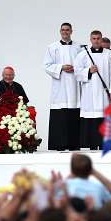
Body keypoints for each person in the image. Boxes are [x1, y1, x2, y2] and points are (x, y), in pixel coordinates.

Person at [74, 30, 111, 150]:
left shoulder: (109, 55)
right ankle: (92, 144)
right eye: (94, 38)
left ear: (101, 39)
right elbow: (77, 73)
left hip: (105, 93)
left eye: (98, 38)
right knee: (91, 119)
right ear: (90, 39)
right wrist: (88, 71)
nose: (96, 40)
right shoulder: (83, 54)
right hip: (89, 92)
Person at [44, 22, 82, 151]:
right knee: (60, 115)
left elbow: (83, 64)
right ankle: (58, 144)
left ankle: (73, 144)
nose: (65, 32)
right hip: (59, 86)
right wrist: (61, 67)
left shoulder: (79, 48)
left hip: (74, 85)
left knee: (73, 112)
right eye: (63, 30)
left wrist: (75, 68)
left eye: (67, 30)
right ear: (60, 31)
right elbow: (47, 66)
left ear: (71, 31)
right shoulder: (52, 47)